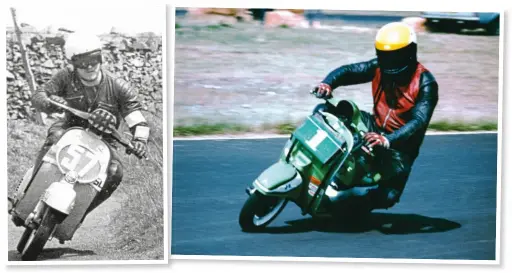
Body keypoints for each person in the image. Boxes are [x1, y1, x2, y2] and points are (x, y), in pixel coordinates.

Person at [311, 22, 439, 211]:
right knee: (326, 110)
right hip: (374, 126)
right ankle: (317, 159)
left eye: (395, 56)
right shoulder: (379, 66)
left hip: (400, 148)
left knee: (388, 197)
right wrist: (328, 83)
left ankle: (347, 203)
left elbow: (418, 122)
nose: (389, 61)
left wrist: (387, 140)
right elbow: (350, 71)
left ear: (410, 53)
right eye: (384, 55)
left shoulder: (425, 83)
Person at [29, 31, 150, 217]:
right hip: (69, 129)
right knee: (54, 138)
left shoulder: (119, 86)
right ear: (73, 63)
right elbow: (41, 92)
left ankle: (77, 216)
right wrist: (47, 103)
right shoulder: (65, 77)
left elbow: (136, 116)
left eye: (95, 59)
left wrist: (140, 140)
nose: (90, 66)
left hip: (105, 142)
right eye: (82, 62)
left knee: (115, 173)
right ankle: (31, 193)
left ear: (101, 58)